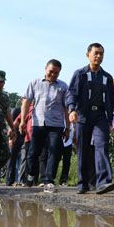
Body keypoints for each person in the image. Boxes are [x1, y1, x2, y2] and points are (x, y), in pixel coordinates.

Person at [68, 42, 114, 195]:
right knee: (83, 149)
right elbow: (72, 94)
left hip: (101, 117)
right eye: (95, 53)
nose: (98, 56)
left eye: (101, 53)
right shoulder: (80, 74)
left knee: (102, 146)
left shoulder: (107, 77)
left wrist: (110, 120)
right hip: (83, 115)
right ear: (88, 54)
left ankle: (103, 182)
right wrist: (71, 110)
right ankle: (83, 184)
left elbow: (111, 100)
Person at [20, 59, 71, 194]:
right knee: (33, 153)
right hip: (38, 123)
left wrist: (67, 127)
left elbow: (66, 108)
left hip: (56, 125)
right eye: (51, 72)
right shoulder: (35, 83)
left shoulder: (63, 87)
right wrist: (22, 121)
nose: (53, 75)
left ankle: (48, 181)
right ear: (45, 69)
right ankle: (31, 175)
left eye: (56, 73)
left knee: (54, 151)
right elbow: (26, 102)